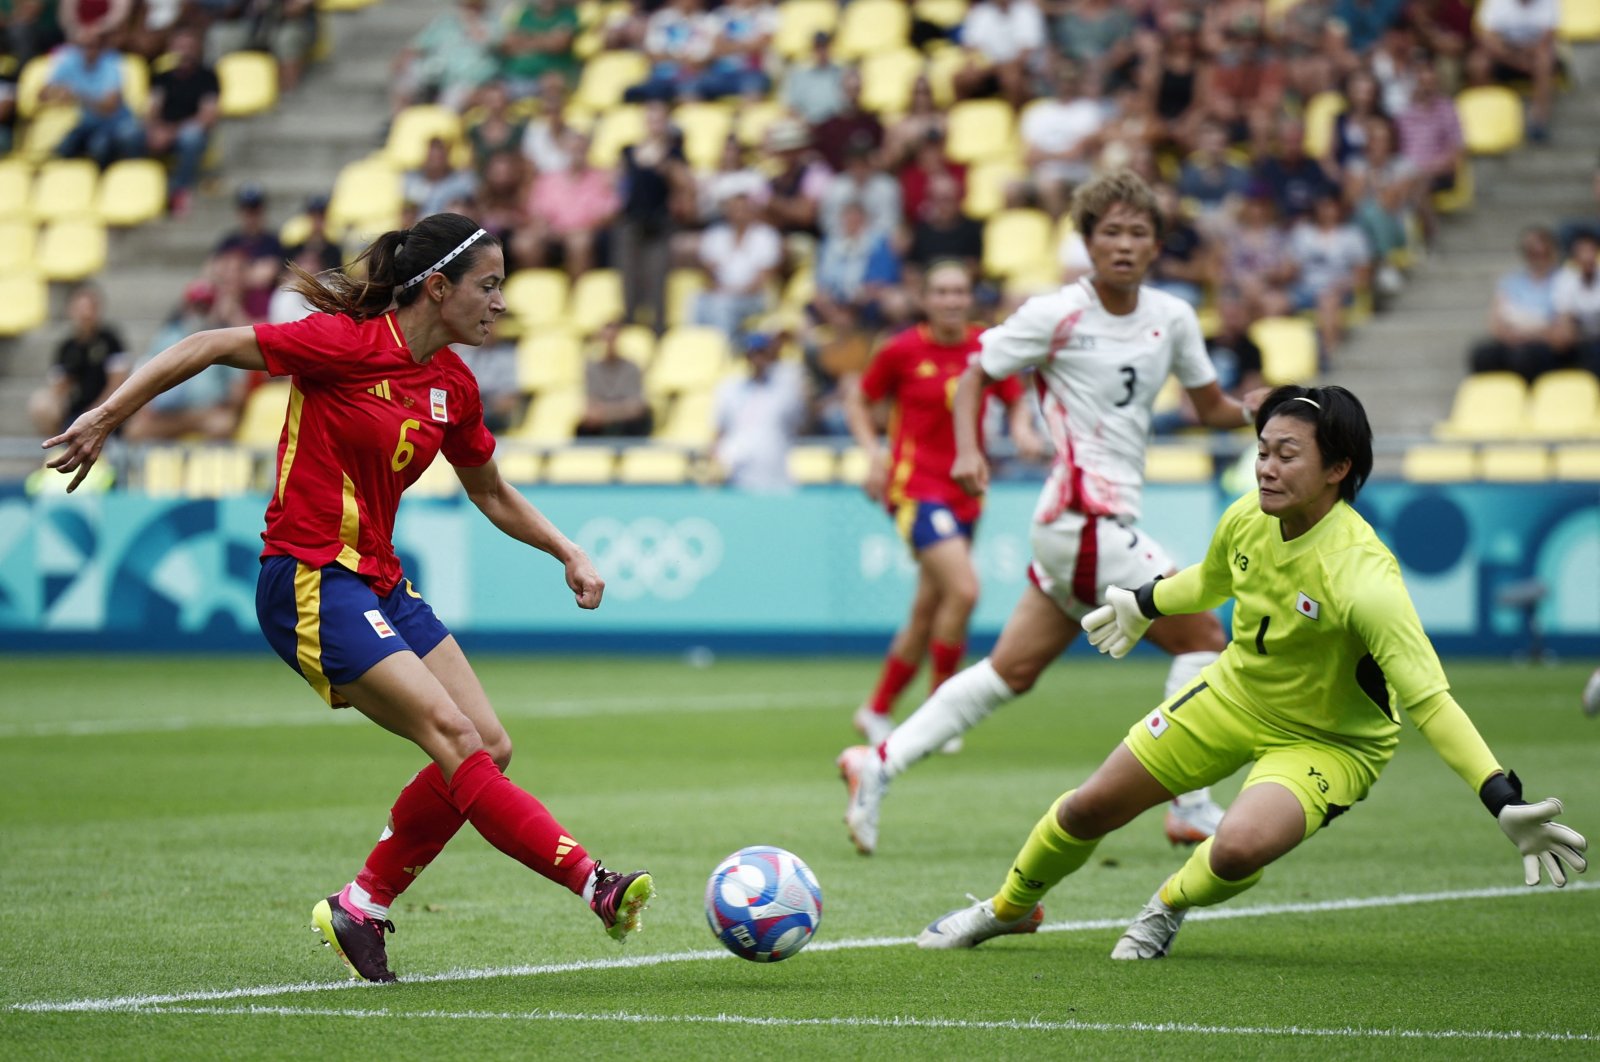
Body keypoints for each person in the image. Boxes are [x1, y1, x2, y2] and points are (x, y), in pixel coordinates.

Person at [42, 212, 654, 982]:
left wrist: (566, 549)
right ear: (438, 287)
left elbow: (490, 491)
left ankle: (360, 906)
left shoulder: (454, 386)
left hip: (378, 580)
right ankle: (593, 882)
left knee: (490, 745)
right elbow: (205, 345)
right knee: (455, 738)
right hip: (307, 574)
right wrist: (106, 417)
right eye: (489, 286)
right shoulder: (342, 345)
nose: (501, 304)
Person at [916, 384, 1588, 955]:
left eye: (1286, 454)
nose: (1265, 467)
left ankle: (1165, 906)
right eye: (1262, 450)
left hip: (1331, 742)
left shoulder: (1364, 578)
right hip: (1234, 696)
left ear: (1337, 469)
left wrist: (1501, 795)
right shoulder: (1247, 517)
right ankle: (1008, 909)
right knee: (1091, 806)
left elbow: (1431, 702)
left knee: (1236, 848)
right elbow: (1209, 582)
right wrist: (1143, 602)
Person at [838, 170, 1266, 857]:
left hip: (1083, 531)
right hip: (1084, 517)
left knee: (1010, 671)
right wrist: (971, 450)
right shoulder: (1058, 313)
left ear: (1156, 244)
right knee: (1204, 640)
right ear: (1087, 241)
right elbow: (977, 369)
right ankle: (1191, 803)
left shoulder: (1174, 318)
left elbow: (1208, 406)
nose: (1124, 245)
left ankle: (877, 763)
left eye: (1138, 232)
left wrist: (1259, 408)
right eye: (1110, 232)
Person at [845, 262, 1043, 746]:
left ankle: (875, 711)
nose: (951, 300)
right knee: (965, 591)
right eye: (942, 292)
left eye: (959, 291)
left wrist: (1020, 427)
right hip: (915, 489)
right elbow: (859, 401)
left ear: (969, 297)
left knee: (928, 607)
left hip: (967, 491)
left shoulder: (986, 347)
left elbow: (1014, 397)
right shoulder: (901, 351)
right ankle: (942, 714)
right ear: (925, 299)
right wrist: (873, 455)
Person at [27, 282, 129, 438]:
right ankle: (57, 442)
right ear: (71, 311)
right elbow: (58, 387)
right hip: (74, 411)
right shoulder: (67, 347)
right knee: (41, 403)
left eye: (90, 308)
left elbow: (117, 383)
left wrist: (96, 412)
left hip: (105, 410)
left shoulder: (110, 340)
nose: (86, 314)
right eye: (81, 309)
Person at [712, 331, 805, 491]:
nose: (757, 359)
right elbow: (718, 431)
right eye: (752, 354)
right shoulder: (729, 388)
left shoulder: (785, 388)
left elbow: (801, 425)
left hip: (774, 471)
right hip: (737, 472)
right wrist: (714, 461)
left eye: (762, 353)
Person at [142, 26, 218, 216]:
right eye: (180, 46)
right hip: (163, 130)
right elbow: (152, 108)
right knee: (131, 134)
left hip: (188, 130)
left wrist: (172, 132)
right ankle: (141, 186)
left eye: (189, 46)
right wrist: (155, 129)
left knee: (191, 137)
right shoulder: (161, 77)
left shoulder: (208, 77)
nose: (185, 51)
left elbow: (207, 116)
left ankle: (179, 191)